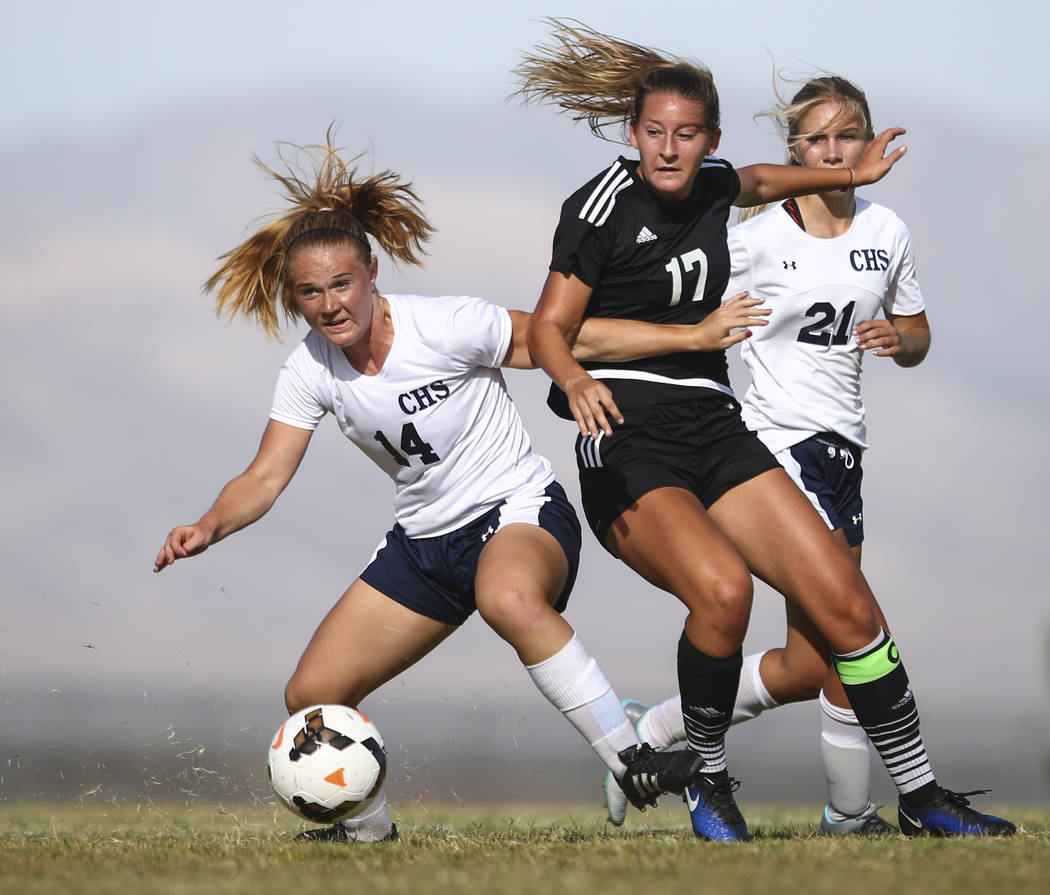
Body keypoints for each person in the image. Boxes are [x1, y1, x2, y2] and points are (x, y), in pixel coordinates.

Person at [516, 20, 1015, 841]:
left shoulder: (720, 184)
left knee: (851, 611)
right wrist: (585, 375)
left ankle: (923, 796)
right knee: (724, 590)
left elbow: (757, 177)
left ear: (708, 137)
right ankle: (707, 781)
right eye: (653, 133)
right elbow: (551, 331)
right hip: (628, 434)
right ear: (632, 134)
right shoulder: (600, 206)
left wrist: (853, 170)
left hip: (716, 427)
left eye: (686, 134)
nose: (669, 149)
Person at [152, 137, 703, 842]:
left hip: (518, 513)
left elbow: (559, 338)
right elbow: (264, 475)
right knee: (310, 698)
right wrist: (208, 525)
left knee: (506, 596)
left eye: (342, 284)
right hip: (424, 545)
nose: (328, 305)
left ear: (372, 273)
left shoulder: (445, 324)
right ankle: (366, 832)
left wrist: (681, 340)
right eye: (310, 292)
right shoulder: (309, 368)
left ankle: (631, 756)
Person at [601, 75, 935, 836]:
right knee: (858, 621)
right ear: (795, 151)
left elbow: (918, 334)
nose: (831, 150)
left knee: (809, 663)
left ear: (868, 139)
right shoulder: (750, 240)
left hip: (844, 449)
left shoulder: (888, 232)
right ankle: (854, 814)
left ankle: (650, 732)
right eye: (815, 139)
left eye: (845, 135)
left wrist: (900, 339)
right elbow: (671, 300)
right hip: (775, 445)